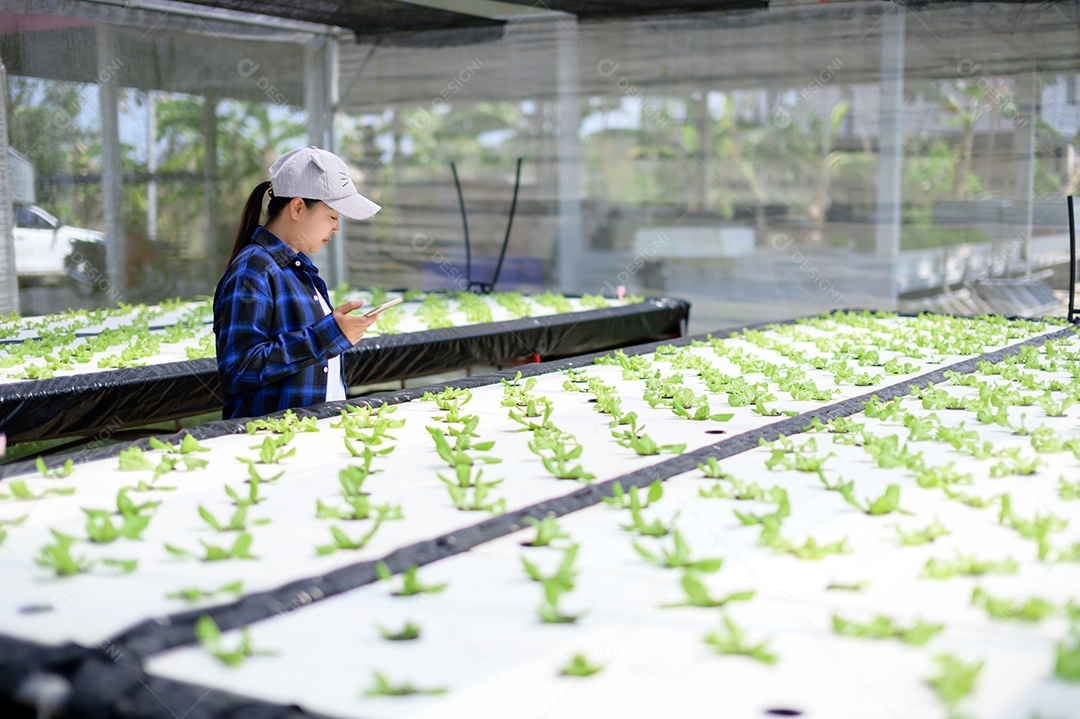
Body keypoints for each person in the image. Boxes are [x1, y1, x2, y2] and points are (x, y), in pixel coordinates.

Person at [213, 146, 381, 420]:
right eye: (332, 216)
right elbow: (239, 369)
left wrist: (336, 331)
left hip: (307, 439)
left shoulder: (301, 269)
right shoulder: (252, 270)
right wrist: (327, 336)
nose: (336, 228)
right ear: (298, 207)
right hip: (273, 444)